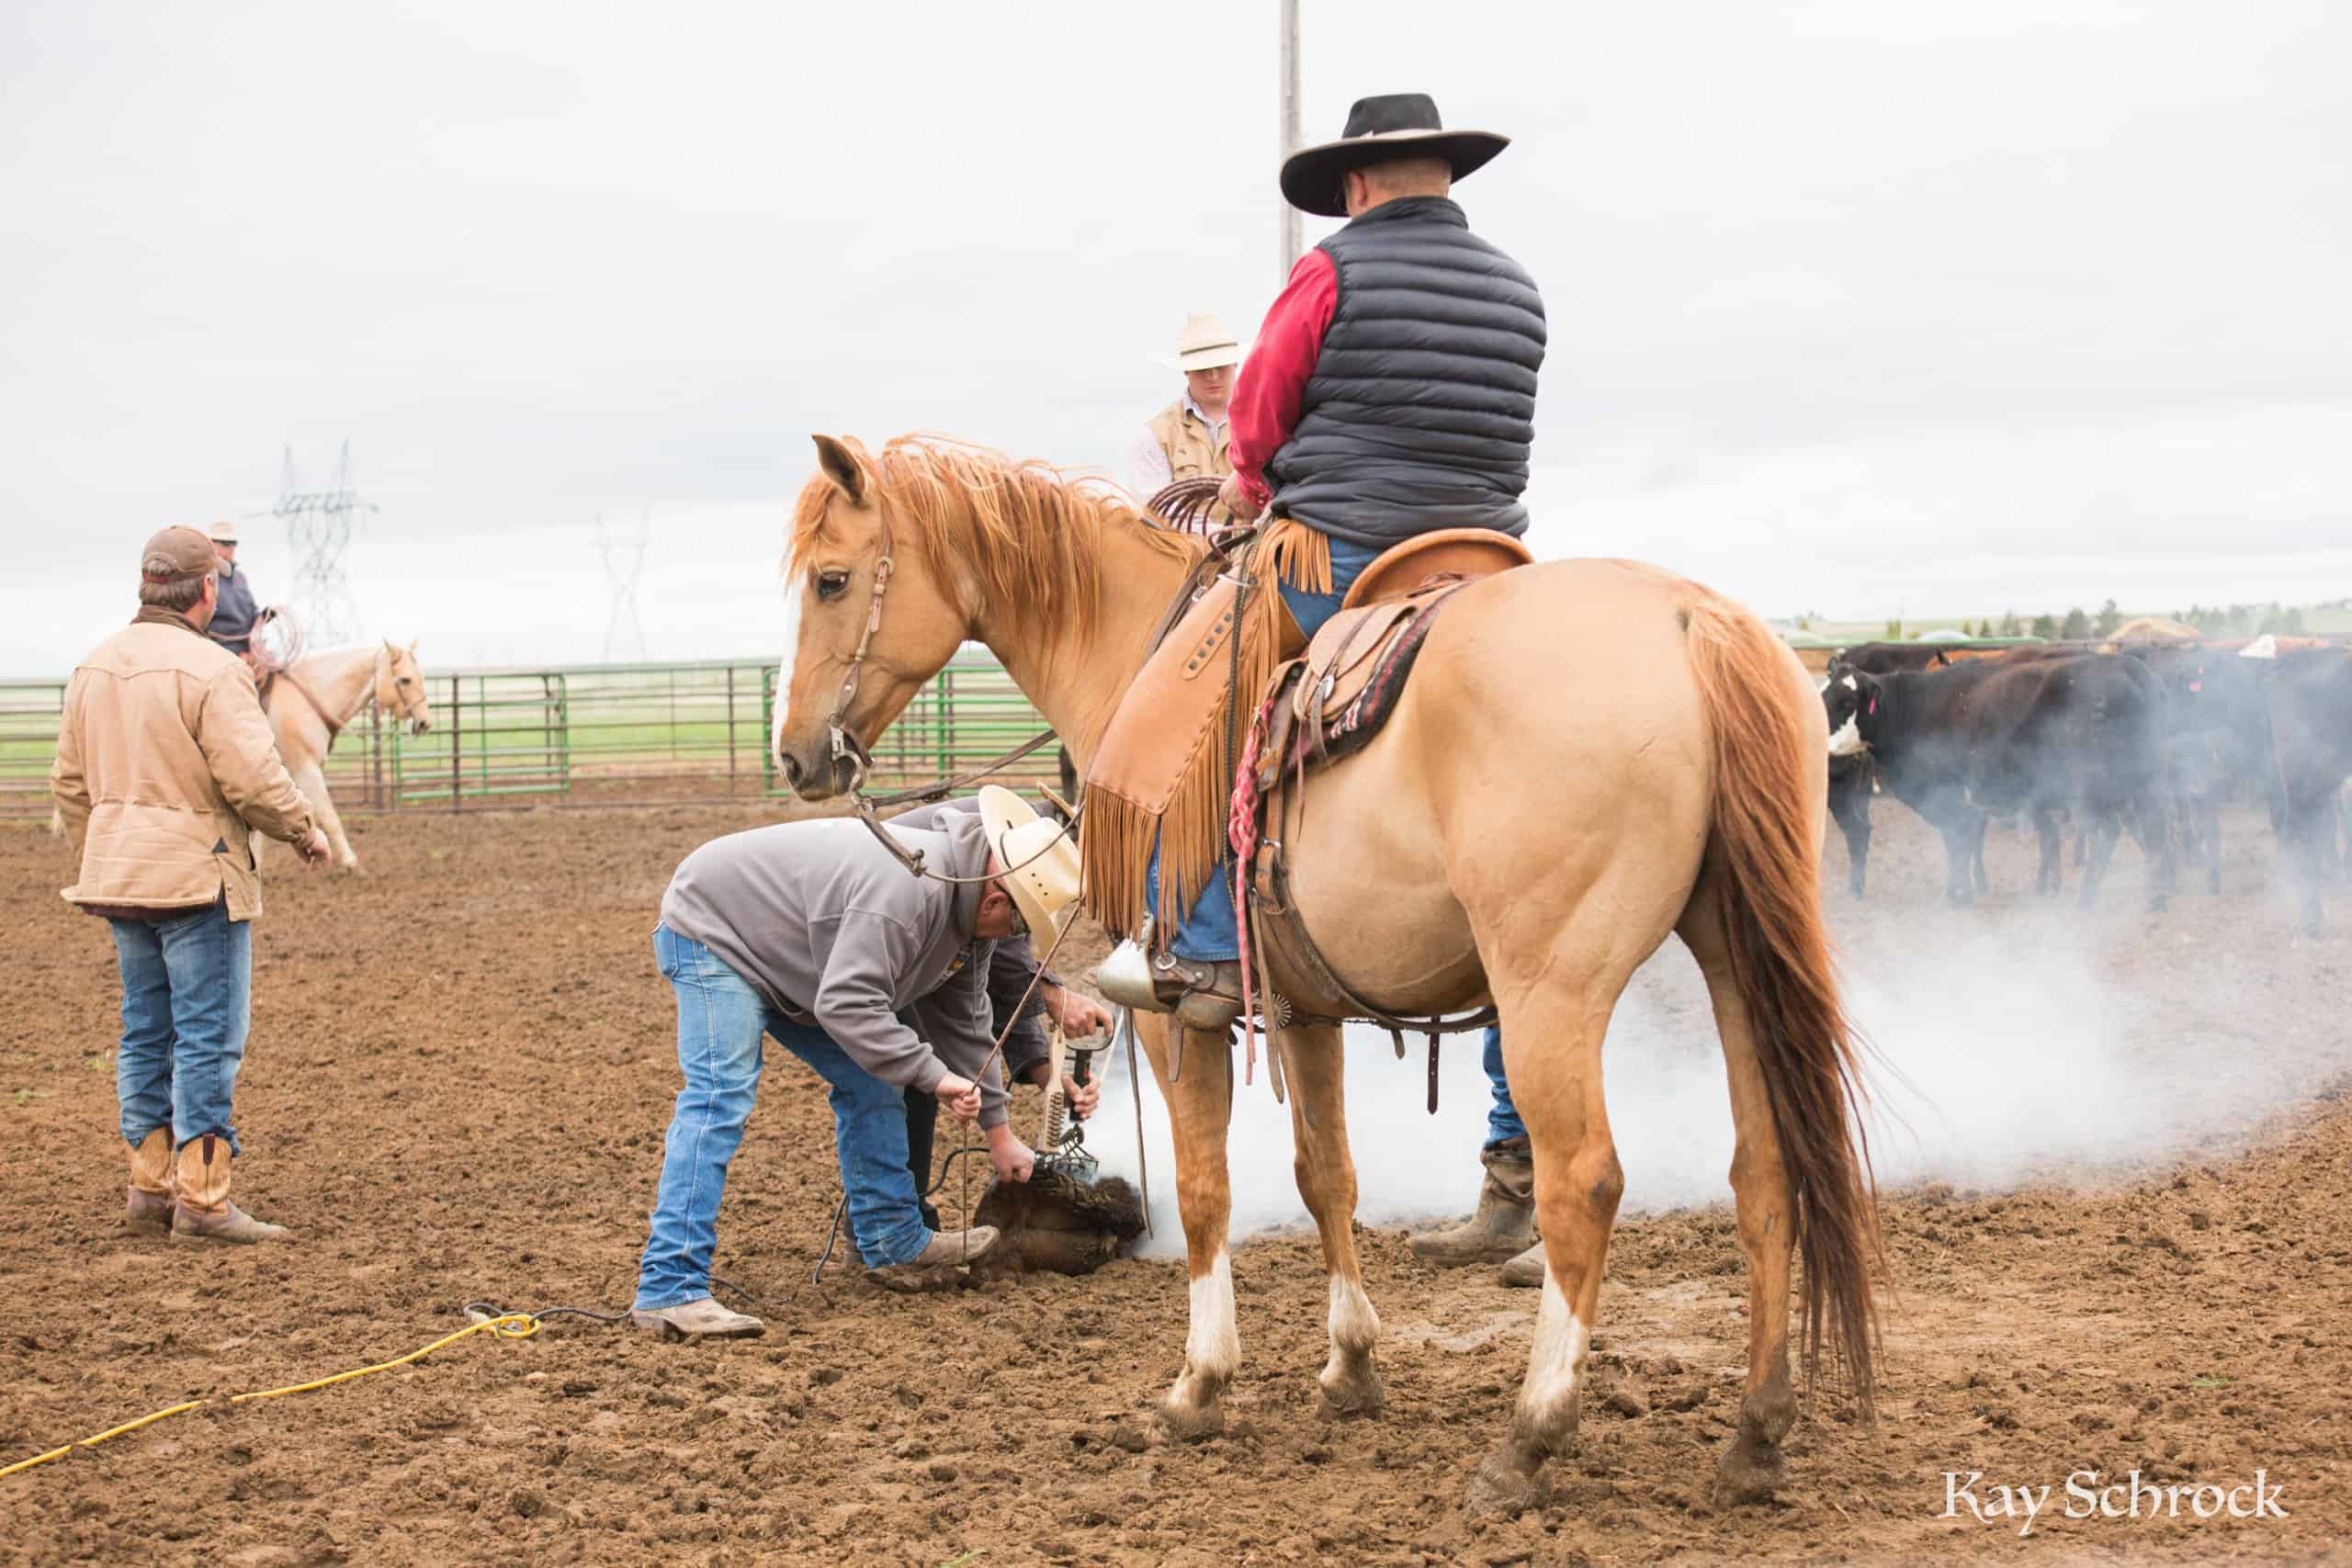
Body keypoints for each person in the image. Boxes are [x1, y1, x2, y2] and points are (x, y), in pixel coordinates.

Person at [1139, 91, 1546, 1021]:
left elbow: (1262, 405)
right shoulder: (1517, 285)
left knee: (1193, 706)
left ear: (1355, 184)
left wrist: (1246, 484)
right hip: (1487, 553)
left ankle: (1203, 951)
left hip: (1341, 549)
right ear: (1445, 177)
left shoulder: (1329, 270)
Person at [632, 787, 1085, 1337]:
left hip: (792, 954)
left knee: (873, 1078)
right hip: (716, 933)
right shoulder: (907, 893)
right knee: (719, 1097)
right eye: (1019, 925)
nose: (1014, 938)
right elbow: (847, 1002)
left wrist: (1000, 1135)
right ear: (996, 899)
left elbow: (968, 1023)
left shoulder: (964, 914)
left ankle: (891, 1242)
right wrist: (933, 1075)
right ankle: (669, 1287)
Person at [51, 525, 334, 1245]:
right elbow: (254, 777)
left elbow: (69, 784)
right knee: (208, 1033)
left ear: (147, 586)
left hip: (119, 881)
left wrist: (103, 852)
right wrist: (304, 830)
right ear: (208, 589)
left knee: (145, 1028)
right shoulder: (211, 671)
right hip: (195, 880)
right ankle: (203, 1198)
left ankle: (149, 1185)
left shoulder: (93, 668)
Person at [891, 797, 1113, 1230]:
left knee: (910, 1074)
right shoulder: (1016, 851)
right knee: (901, 1078)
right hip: (895, 940)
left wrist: (1048, 1076)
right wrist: (1052, 995)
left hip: (917, 949)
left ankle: (901, 1223)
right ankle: (893, 1230)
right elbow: (999, 944)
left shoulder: (1030, 846)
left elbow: (991, 967)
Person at [1127, 312, 1244, 518]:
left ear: (1235, 364)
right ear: (1186, 371)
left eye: (1220, 366)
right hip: (1183, 549)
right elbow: (1157, 515)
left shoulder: (1268, 424)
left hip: (1257, 547)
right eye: (1203, 368)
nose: (1213, 376)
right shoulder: (1154, 435)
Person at [203, 520, 264, 667]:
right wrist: (235, 656)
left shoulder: (240, 579)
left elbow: (251, 615)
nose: (231, 548)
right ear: (211, 545)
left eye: (233, 543)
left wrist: (263, 617)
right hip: (218, 653)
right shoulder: (204, 579)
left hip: (248, 650)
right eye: (225, 543)